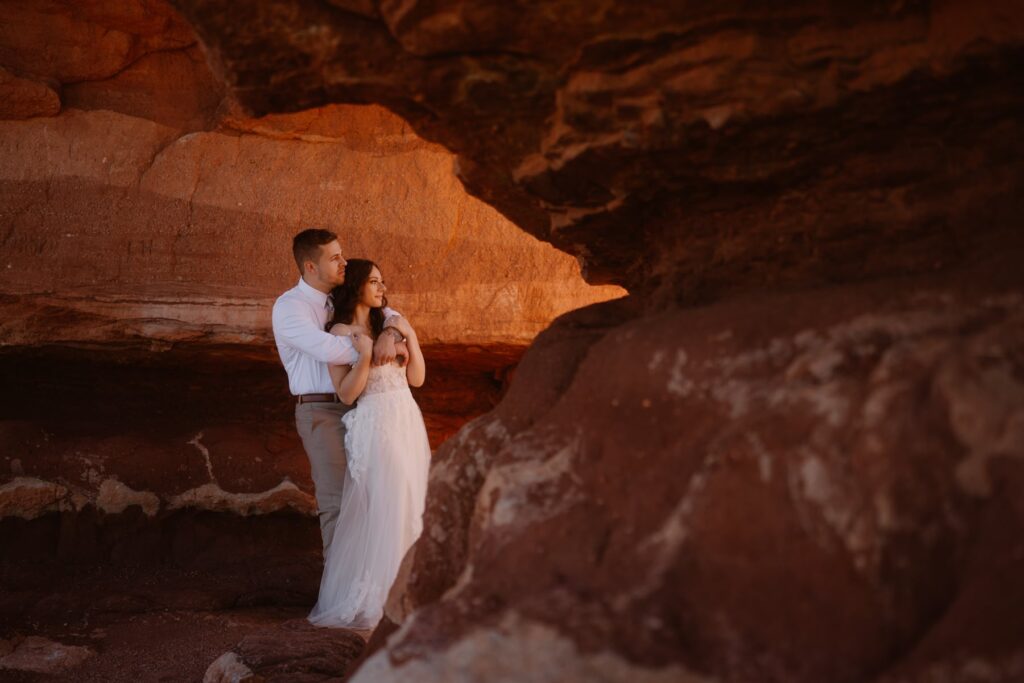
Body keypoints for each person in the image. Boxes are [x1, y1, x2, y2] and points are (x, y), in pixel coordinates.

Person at [307, 259, 430, 629]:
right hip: (375, 422)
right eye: (373, 281)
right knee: (385, 505)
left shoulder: (388, 324)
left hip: (407, 418)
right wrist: (363, 355)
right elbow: (346, 394)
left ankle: (412, 591)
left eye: (382, 281)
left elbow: (418, 378)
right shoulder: (340, 332)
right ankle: (382, 596)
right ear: (357, 285)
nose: (380, 287)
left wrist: (408, 332)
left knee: (412, 499)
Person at [271, 229, 406, 560]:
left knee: (376, 498)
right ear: (310, 267)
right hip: (322, 412)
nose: (344, 262)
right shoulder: (290, 307)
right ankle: (338, 598)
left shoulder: (342, 297)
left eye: (342, 255)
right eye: (334, 258)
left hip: (364, 407)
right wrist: (379, 343)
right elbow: (331, 349)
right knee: (338, 503)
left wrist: (390, 330)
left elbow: (391, 314)